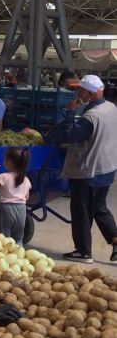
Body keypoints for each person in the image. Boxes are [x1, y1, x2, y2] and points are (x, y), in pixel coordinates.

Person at [50, 75, 117, 263]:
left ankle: (83, 251)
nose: (78, 93)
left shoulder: (91, 117)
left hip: (89, 170)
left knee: (81, 211)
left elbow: (72, 135)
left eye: (80, 91)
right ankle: (116, 240)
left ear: (90, 92)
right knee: (99, 207)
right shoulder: (111, 108)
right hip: (107, 168)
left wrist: (70, 113)